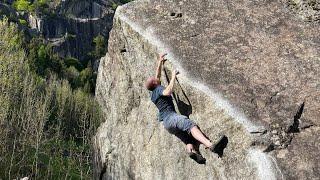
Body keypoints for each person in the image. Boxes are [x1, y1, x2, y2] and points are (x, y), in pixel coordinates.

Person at [145, 53, 225, 164]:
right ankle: (211, 145)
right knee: (190, 126)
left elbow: (157, 76)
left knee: (188, 139)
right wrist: (173, 76)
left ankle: (191, 151)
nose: (156, 77)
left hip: (167, 125)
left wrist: (160, 61)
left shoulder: (153, 93)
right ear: (154, 83)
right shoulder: (159, 89)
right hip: (172, 117)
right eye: (154, 79)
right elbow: (167, 92)